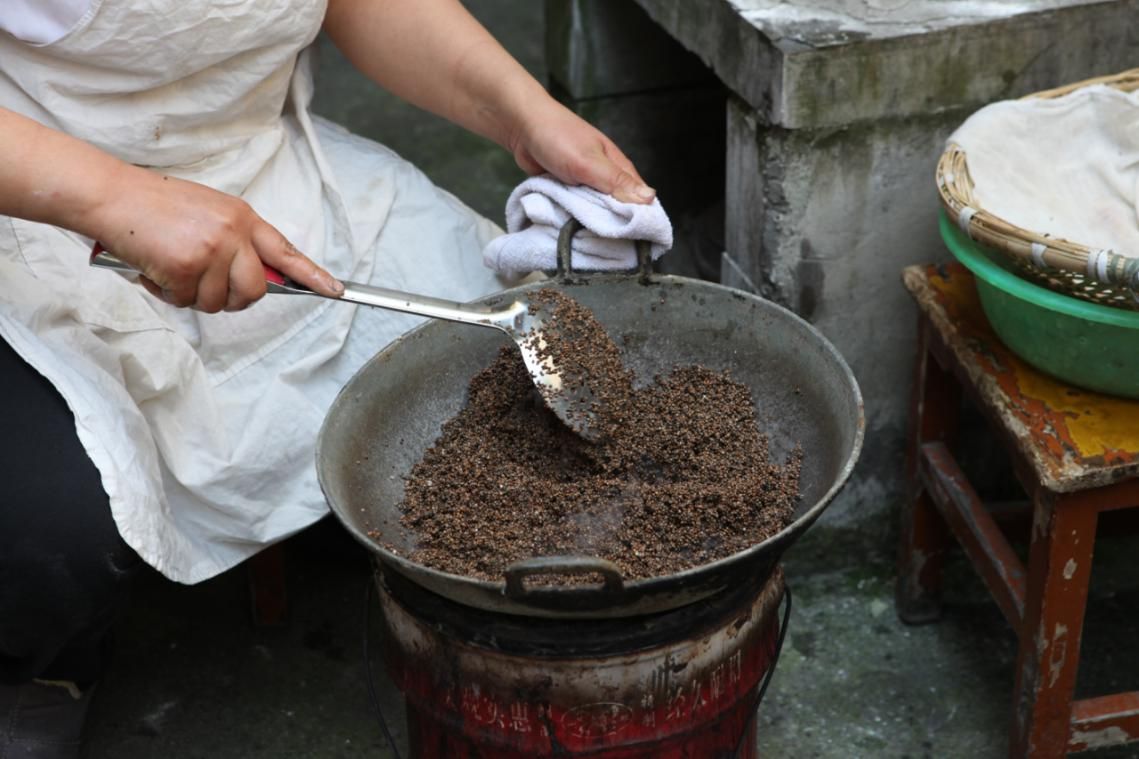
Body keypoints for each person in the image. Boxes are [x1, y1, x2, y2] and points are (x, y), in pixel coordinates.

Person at [0, 1, 654, 755]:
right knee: (50, 540)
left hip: (259, 169)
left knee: (483, 390)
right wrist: (112, 197)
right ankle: (38, 673)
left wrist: (523, 115)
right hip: (40, 205)